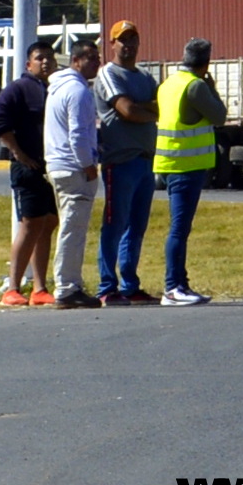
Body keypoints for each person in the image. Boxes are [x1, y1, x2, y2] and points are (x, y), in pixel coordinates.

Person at [152, 37, 227, 306]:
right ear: (206, 63)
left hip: (169, 162)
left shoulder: (168, 84)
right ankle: (173, 287)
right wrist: (212, 86)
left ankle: (179, 284)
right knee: (179, 229)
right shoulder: (195, 86)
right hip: (187, 165)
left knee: (179, 228)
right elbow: (219, 115)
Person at [94, 20, 160, 305]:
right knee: (114, 224)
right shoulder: (108, 74)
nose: (128, 45)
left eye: (133, 39)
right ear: (112, 44)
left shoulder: (145, 77)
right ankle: (107, 286)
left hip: (145, 161)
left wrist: (141, 108)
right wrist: (142, 109)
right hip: (119, 162)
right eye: (123, 40)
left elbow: (160, 107)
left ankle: (130, 284)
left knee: (136, 226)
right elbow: (127, 110)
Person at [0, 39, 58, 306]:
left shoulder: (55, 88)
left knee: (48, 222)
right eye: (40, 58)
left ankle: (39, 288)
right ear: (28, 63)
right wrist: (18, 153)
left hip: (49, 167)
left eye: (49, 58)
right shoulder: (18, 89)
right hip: (26, 168)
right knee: (30, 224)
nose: (45, 62)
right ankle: (13, 287)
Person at [44, 35, 104, 308]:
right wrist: (89, 166)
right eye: (91, 58)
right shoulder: (77, 91)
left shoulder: (58, 88)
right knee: (72, 229)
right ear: (76, 61)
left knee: (71, 227)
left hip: (60, 165)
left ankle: (70, 283)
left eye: (98, 57)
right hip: (73, 167)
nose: (96, 63)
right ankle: (67, 288)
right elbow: (78, 135)